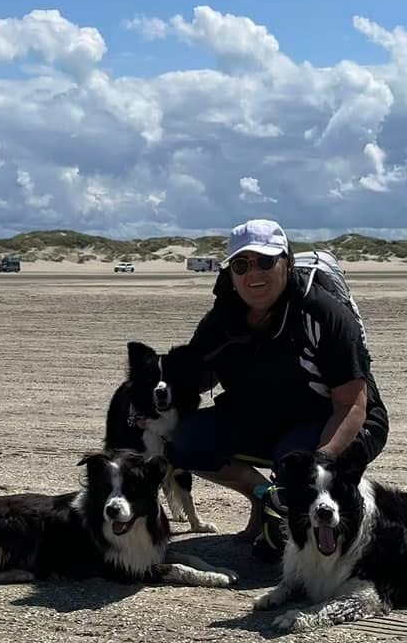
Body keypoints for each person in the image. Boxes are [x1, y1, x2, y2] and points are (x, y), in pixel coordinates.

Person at [167, 219, 390, 557]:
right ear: (230, 274)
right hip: (262, 417)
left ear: (286, 261)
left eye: (265, 261)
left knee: (291, 478)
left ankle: (309, 511)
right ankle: (264, 498)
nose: (253, 273)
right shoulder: (222, 319)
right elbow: (195, 378)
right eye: (241, 265)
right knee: (183, 440)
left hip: (333, 419)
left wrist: (321, 462)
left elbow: (351, 405)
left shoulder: (323, 315)